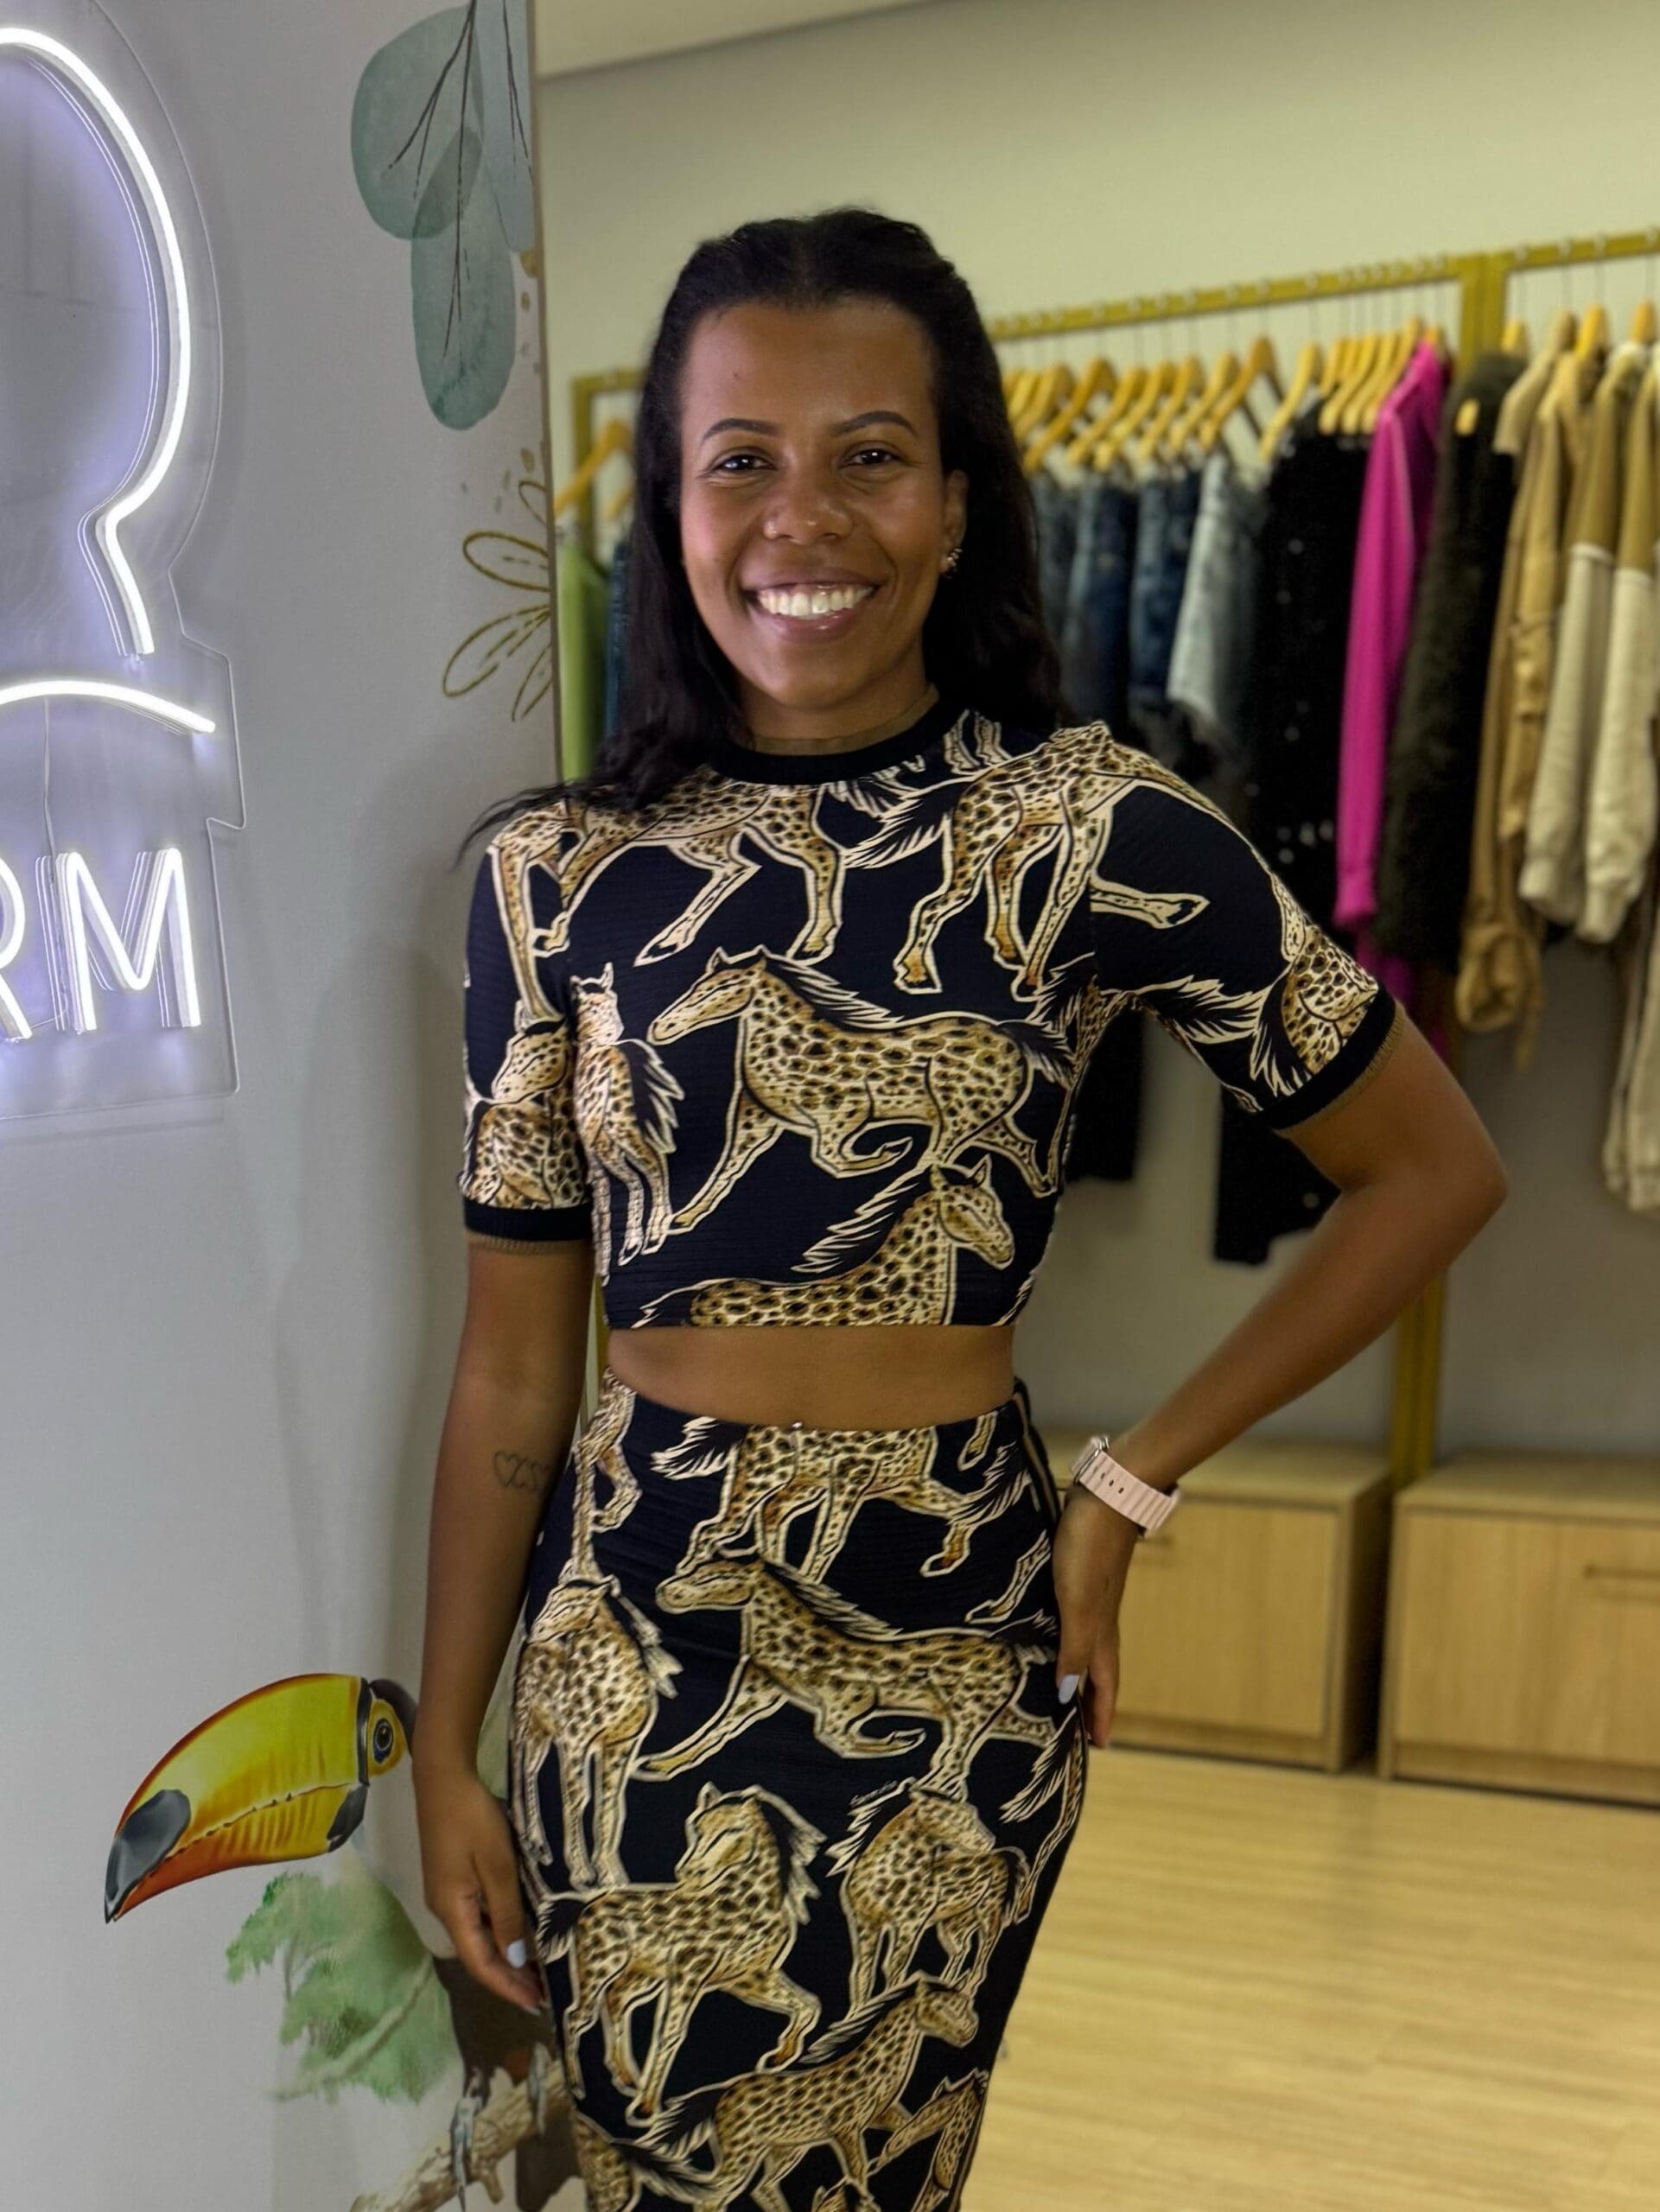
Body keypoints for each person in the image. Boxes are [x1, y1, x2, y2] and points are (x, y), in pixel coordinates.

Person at [413, 207, 1507, 2209]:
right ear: (668, 508)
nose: (801, 517)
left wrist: (1130, 1485)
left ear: (955, 503)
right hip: (629, 1660)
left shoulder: (1092, 827)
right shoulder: (548, 880)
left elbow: (1429, 1169)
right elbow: (508, 1368)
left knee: (889, 2169)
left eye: (869, 455)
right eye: (738, 459)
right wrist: (446, 1743)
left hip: (955, 1650)